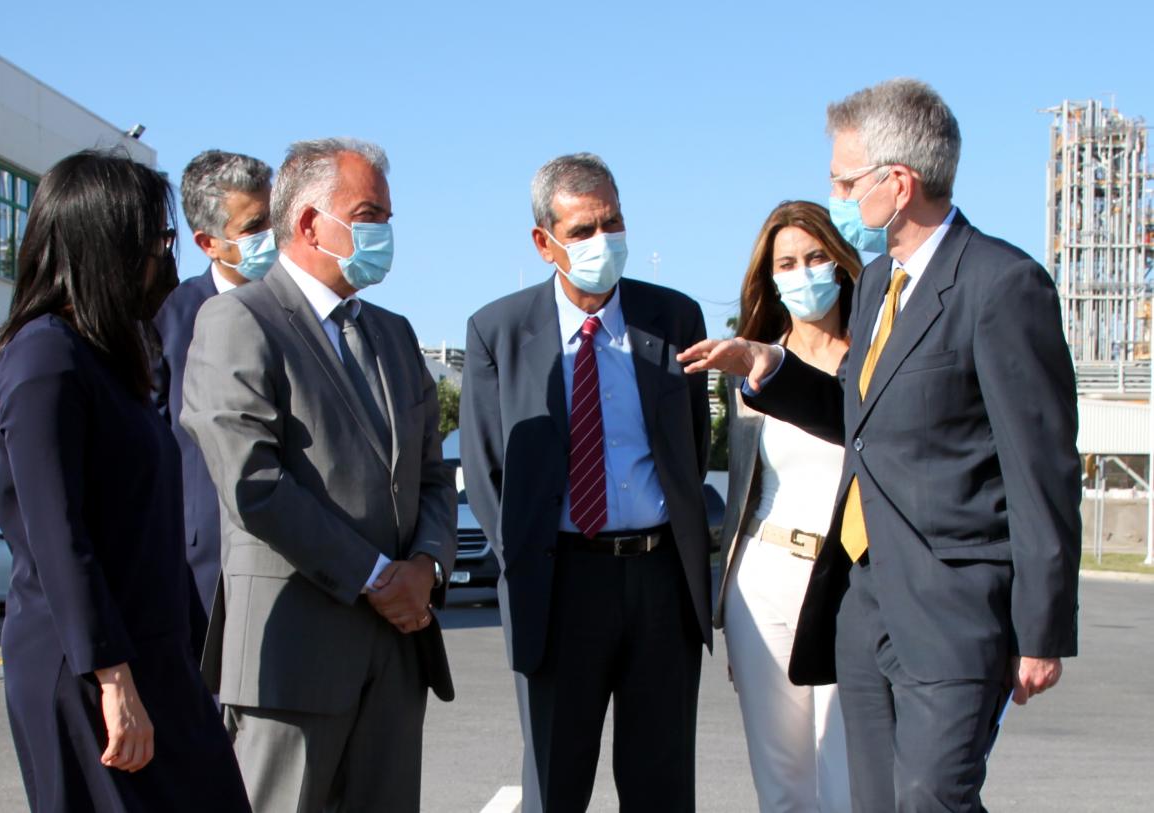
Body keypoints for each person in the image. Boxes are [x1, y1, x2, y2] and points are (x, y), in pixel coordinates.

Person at [679, 78, 1081, 812]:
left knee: (931, 797)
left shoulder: (1001, 284)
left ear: (897, 184)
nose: (834, 195)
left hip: (955, 605)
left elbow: (1042, 467)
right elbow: (860, 420)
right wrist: (770, 367)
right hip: (863, 603)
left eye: (843, 181)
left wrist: (1042, 625)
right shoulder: (875, 289)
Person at [181, 137, 457, 812]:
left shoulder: (394, 334)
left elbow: (431, 472)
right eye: (369, 215)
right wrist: (375, 577)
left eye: (387, 217)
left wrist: (426, 566)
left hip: (396, 652)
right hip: (293, 657)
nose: (385, 232)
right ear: (308, 223)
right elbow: (253, 482)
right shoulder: (238, 319)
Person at [0, 150, 250, 812]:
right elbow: (59, 537)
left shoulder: (108, 355)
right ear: (106, 246)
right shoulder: (45, 359)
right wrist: (112, 678)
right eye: (156, 241)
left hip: (151, 654)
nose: (166, 260)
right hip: (90, 669)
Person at [461, 153, 712, 812]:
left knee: (662, 788)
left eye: (613, 222)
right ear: (544, 243)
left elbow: (691, 448)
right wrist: (530, 563)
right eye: (582, 230)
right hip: (560, 583)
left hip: (659, 581)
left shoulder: (675, 319)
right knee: (555, 785)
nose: (604, 241)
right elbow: (488, 472)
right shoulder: (498, 331)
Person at [716, 200, 858, 813]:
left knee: (846, 782)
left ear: (841, 262)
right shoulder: (751, 366)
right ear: (770, 278)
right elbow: (741, 486)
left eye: (816, 257)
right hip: (765, 577)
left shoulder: (876, 357)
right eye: (787, 263)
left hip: (850, 579)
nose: (803, 273)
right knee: (782, 789)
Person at [152, 150, 274, 656]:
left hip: (302, 556)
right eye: (254, 226)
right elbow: (152, 442)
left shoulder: (303, 312)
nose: (272, 236)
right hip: (203, 563)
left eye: (274, 218)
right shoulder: (169, 318)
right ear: (208, 243)